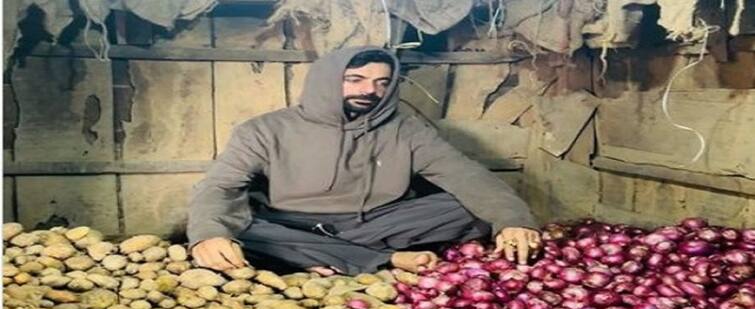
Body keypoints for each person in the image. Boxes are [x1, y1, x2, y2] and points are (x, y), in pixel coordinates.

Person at [187, 46, 540, 276]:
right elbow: (220, 186)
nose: (370, 91)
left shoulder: (406, 128)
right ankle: (383, 260)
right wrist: (208, 235)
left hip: (378, 222)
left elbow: (464, 175)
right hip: (291, 225)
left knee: (470, 208)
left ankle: (329, 258)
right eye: (355, 80)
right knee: (240, 227)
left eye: (381, 83)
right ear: (328, 81)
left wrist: (512, 220)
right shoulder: (265, 129)